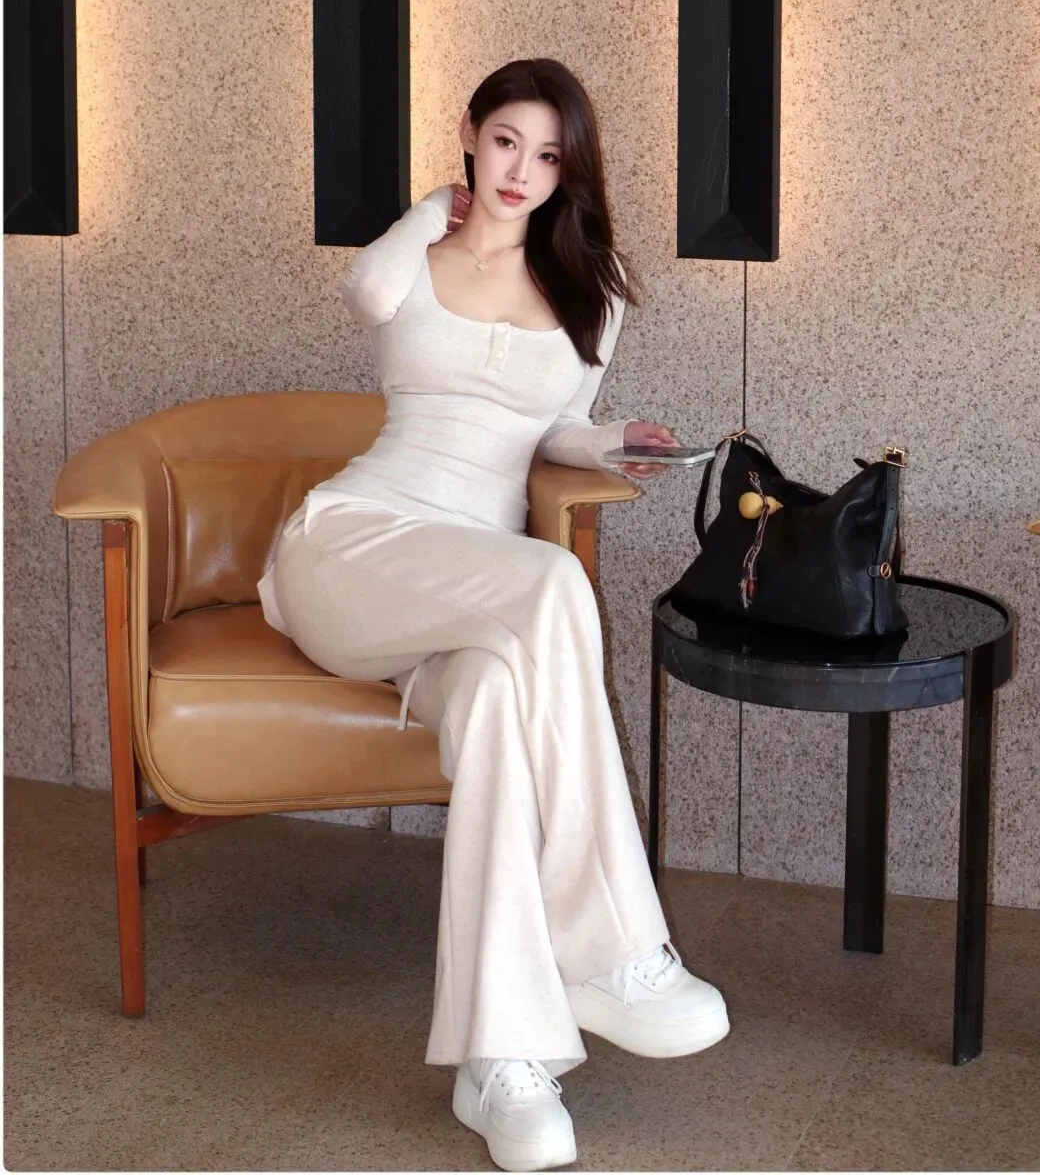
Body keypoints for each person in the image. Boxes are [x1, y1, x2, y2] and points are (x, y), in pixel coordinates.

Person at [257, 58, 729, 1172]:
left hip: (472, 584)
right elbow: (365, 292)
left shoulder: (592, 287)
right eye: (508, 140)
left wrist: (612, 443)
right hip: (353, 547)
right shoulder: (413, 259)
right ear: (470, 133)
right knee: (553, 581)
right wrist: (439, 203)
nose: (524, 171)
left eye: (550, 155)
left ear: (570, 171)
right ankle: (613, 950)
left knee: (499, 712)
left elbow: (548, 430)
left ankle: (501, 1061)